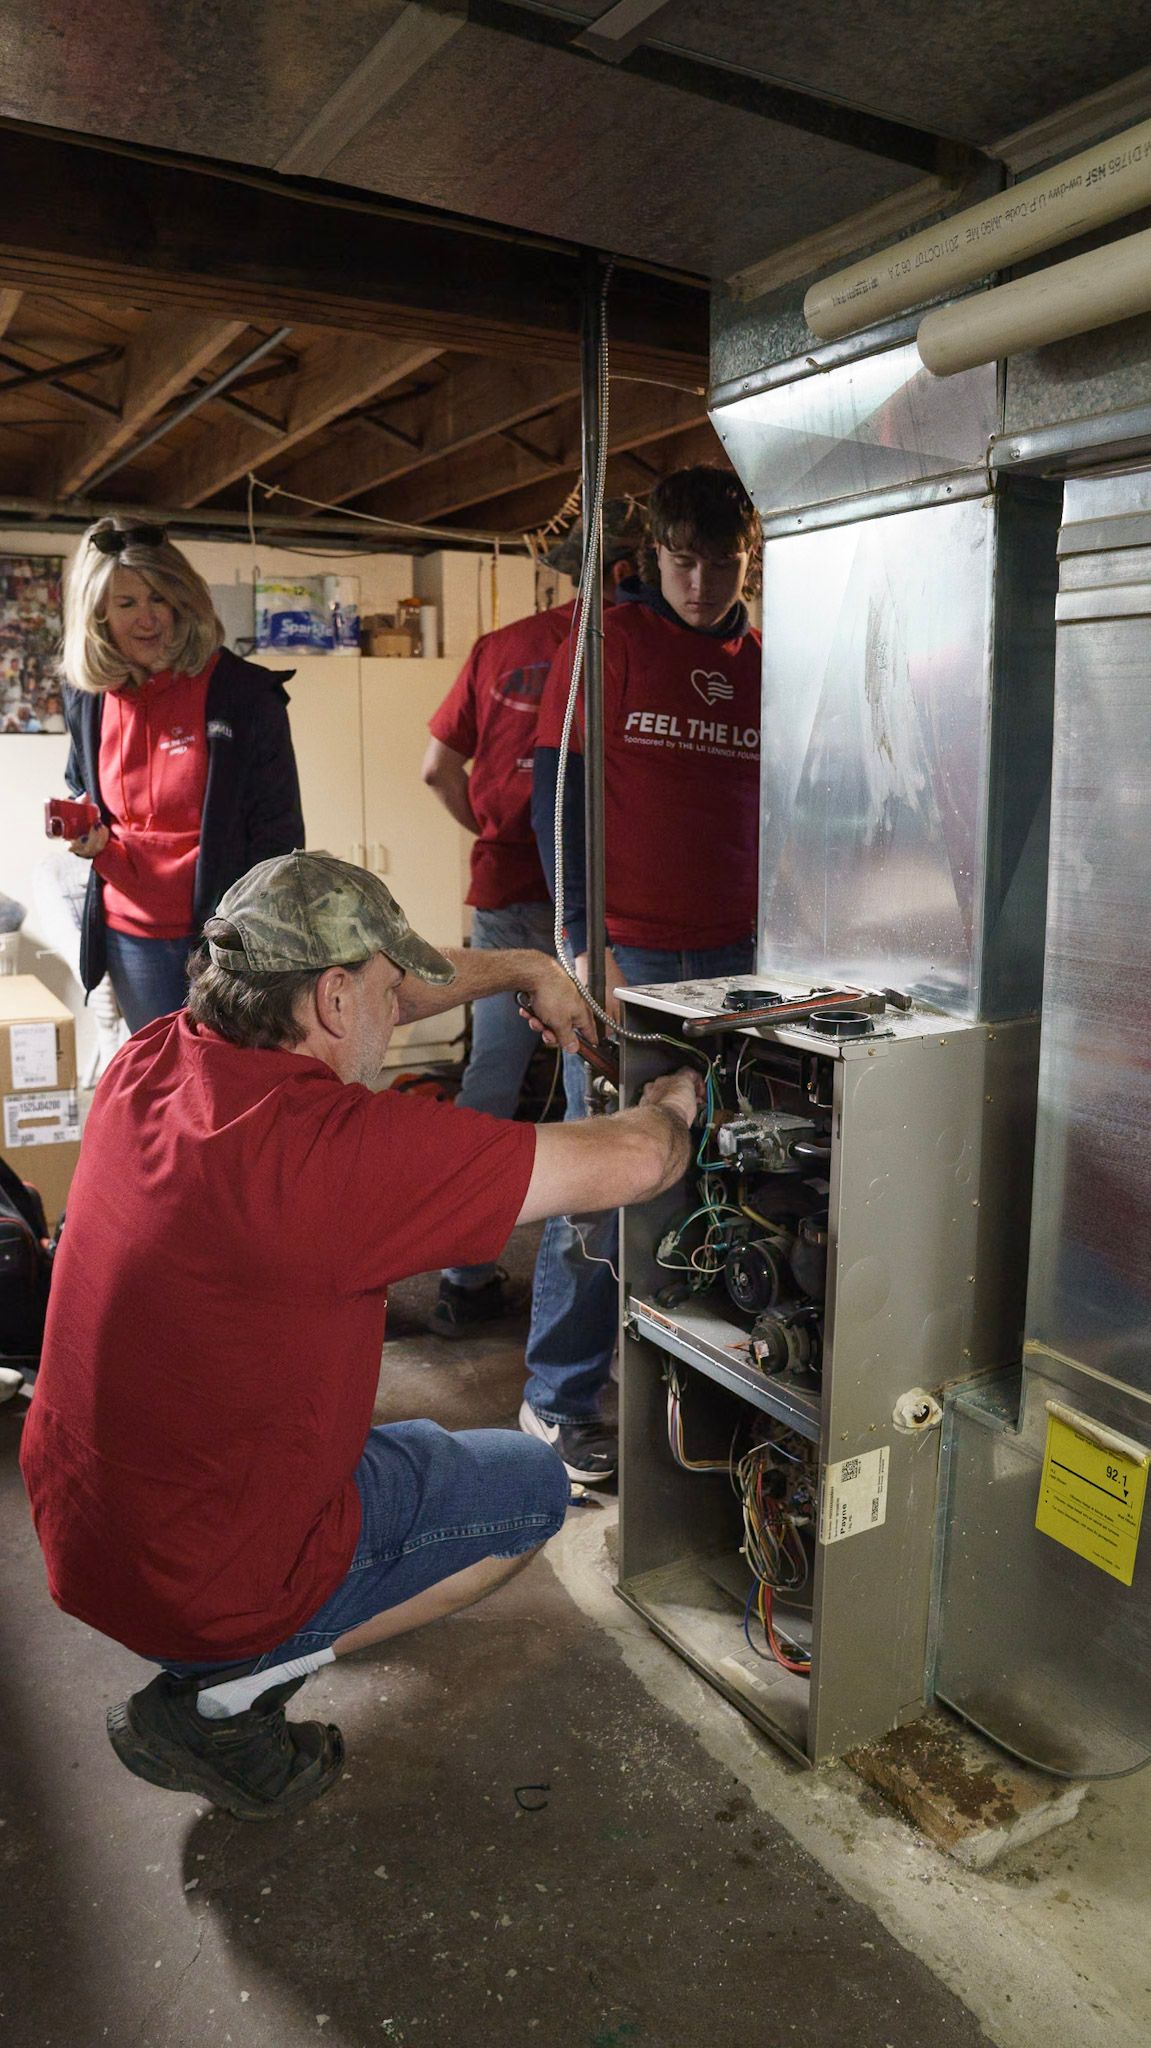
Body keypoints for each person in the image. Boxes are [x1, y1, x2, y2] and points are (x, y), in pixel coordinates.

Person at [19, 850, 700, 1821]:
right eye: (388, 989)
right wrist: (673, 1098)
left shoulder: (153, 1056)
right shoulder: (334, 1157)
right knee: (528, 1487)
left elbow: (375, 992)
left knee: (401, 1449)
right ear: (335, 999)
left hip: (85, 1522)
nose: (405, 1006)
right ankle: (230, 1689)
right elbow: (637, 1156)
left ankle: (232, 1648)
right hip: (200, 1574)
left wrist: (523, 971)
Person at [523, 465, 762, 1484]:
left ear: (744, 560)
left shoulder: (764, 664)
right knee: (601, 1171)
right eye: (680, 561)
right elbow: (556, 800)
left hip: (740, 958)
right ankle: (556, 1398)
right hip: (632, 947)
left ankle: (691, 1381)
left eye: (719, 564)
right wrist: (583, 944)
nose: (699, 584)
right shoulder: (607, 645)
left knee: (722, 1167)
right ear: (649, 553)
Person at [420, 502, 647, 1336]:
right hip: (608, 900)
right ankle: (614, 1292)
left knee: (491, 1075)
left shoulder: (500, 647)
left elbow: (435, 770)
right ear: (636, 566)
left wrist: (493, 832)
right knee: (599, 1085)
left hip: (511, 888)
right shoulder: (637, 649)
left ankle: (463, 1274)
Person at [58, 518, 304, 1032]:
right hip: (131, 937)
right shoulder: (86, 697)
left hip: (224, 938)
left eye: (160, 599)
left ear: (183, 601)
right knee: (162, 1086)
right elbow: (82, 783)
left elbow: (279, 833)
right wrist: (86, 834)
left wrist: (259, 940)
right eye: (127, 604)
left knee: (225, 1092)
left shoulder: (243, 694)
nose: (148, 619)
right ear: (99, 612)